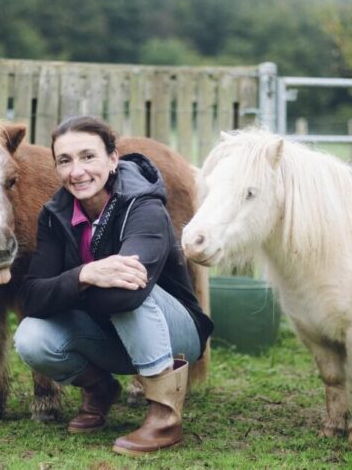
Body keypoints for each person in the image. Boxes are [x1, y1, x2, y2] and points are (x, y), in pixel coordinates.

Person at [14, 116, 213, 456]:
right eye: (65, 161)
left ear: (112, 159)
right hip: (111, 334)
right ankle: (100, 388)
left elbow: (127, 292)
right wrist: (84, 275)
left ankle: (165, 415)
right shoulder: (53, 214)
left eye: (88, 156)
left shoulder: (144, 204)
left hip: (175, 335)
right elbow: (32, 298)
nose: (77, 171)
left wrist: (67, 291)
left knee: (126, 293)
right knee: (31, 337)